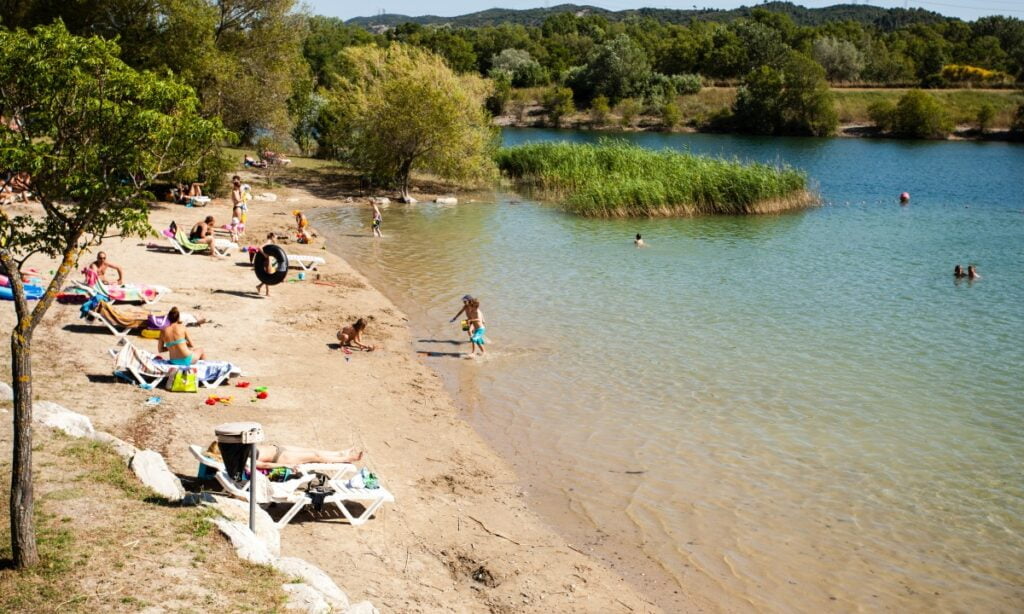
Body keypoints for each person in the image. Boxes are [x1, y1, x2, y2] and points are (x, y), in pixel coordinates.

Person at [206, 440, 363, 471]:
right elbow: (263, 465)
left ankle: (340, 453)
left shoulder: (238, 452)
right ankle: (345, 458)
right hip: (281, 458)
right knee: (315, 456)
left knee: (312, 450)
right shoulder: (241, 460)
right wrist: (286, 466)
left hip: (279, 449)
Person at [255, 232, 276, 297]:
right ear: (272, 237)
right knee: (268, 276)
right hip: (266, 260)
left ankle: (259, 286)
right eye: (275, 237)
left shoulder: (270, 242)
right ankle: (267, 292)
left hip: (268, 260)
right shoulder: (268, 242)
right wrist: (265, 255)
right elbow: (259, 247)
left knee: (268, 276)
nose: (276, 239)